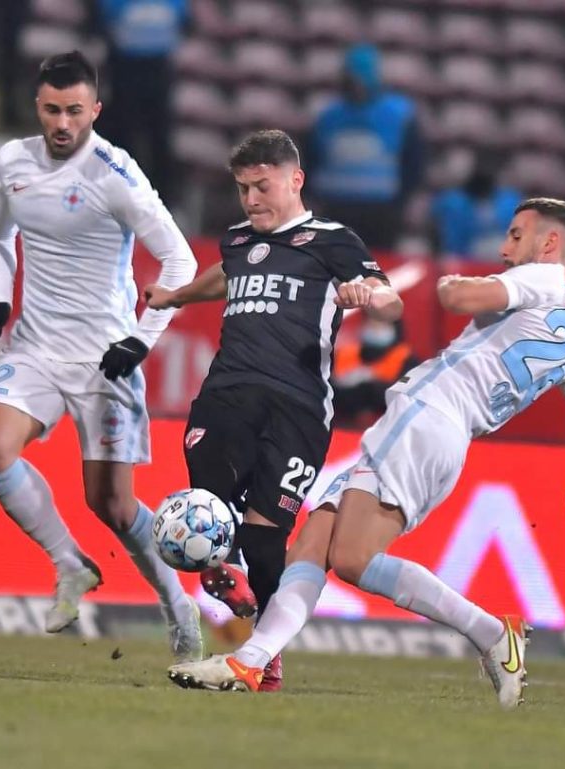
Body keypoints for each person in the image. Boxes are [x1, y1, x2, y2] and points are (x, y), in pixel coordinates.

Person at [166, 198, 565, 709]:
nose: (504, 248)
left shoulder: (541, 279)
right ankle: (251, 662)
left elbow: (459, 298)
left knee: (352, 559)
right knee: (313, 544)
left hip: (426, 416)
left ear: (550, 243)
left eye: (516, 235)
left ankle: (492, 632)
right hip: (442, 436)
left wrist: (451, 284)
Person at [145, 129, 404, 690]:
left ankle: (263, 651)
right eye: (243, 188)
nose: (251, 199)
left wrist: (370, 296)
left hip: (299, 407)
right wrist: (176, 296)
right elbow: (227, 275)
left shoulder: (333, 240)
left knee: (265, 539)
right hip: (228, 392)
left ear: (295, 180)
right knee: (207, 502)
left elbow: (390, 298)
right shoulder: (238, 241)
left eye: (262, 186)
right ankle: (219, 567)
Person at [0, 51, 202, 661]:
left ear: (95, 109)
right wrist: (0, 297)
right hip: (36, 347)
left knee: (113, 506)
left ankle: (178, 605)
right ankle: (69, 563)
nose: (62, 123)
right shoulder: (12, 161)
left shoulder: (114, 174)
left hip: (105, 358)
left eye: (74, 110)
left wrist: (140, 339)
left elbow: (181, 261)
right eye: (52, 110)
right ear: (37, 106)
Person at [304, 43, 426, 251]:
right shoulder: (327, 116)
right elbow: (311, 160)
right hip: (336, 208)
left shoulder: (399, 115)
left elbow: (414, 163)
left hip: (381, 212)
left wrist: (400, 203)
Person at [92, 0, 188, 205]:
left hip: (159, 72)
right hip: (124, 71)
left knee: (159, 138)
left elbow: (182, 22)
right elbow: (103, 22)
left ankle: (163, 200)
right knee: (124, 135)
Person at [432, 150, 523, 260]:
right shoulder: (451, 202)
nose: (484, 172)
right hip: (460, 255)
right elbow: (442, 234)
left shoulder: (510, 200)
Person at [332, 317, 418, 429]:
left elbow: (405, 391)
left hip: (386, 426)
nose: (375, 329)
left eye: (381, 325)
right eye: (371, 324)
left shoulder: (406, 359)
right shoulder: (345, 353)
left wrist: (370, 384)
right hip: (342, 425)